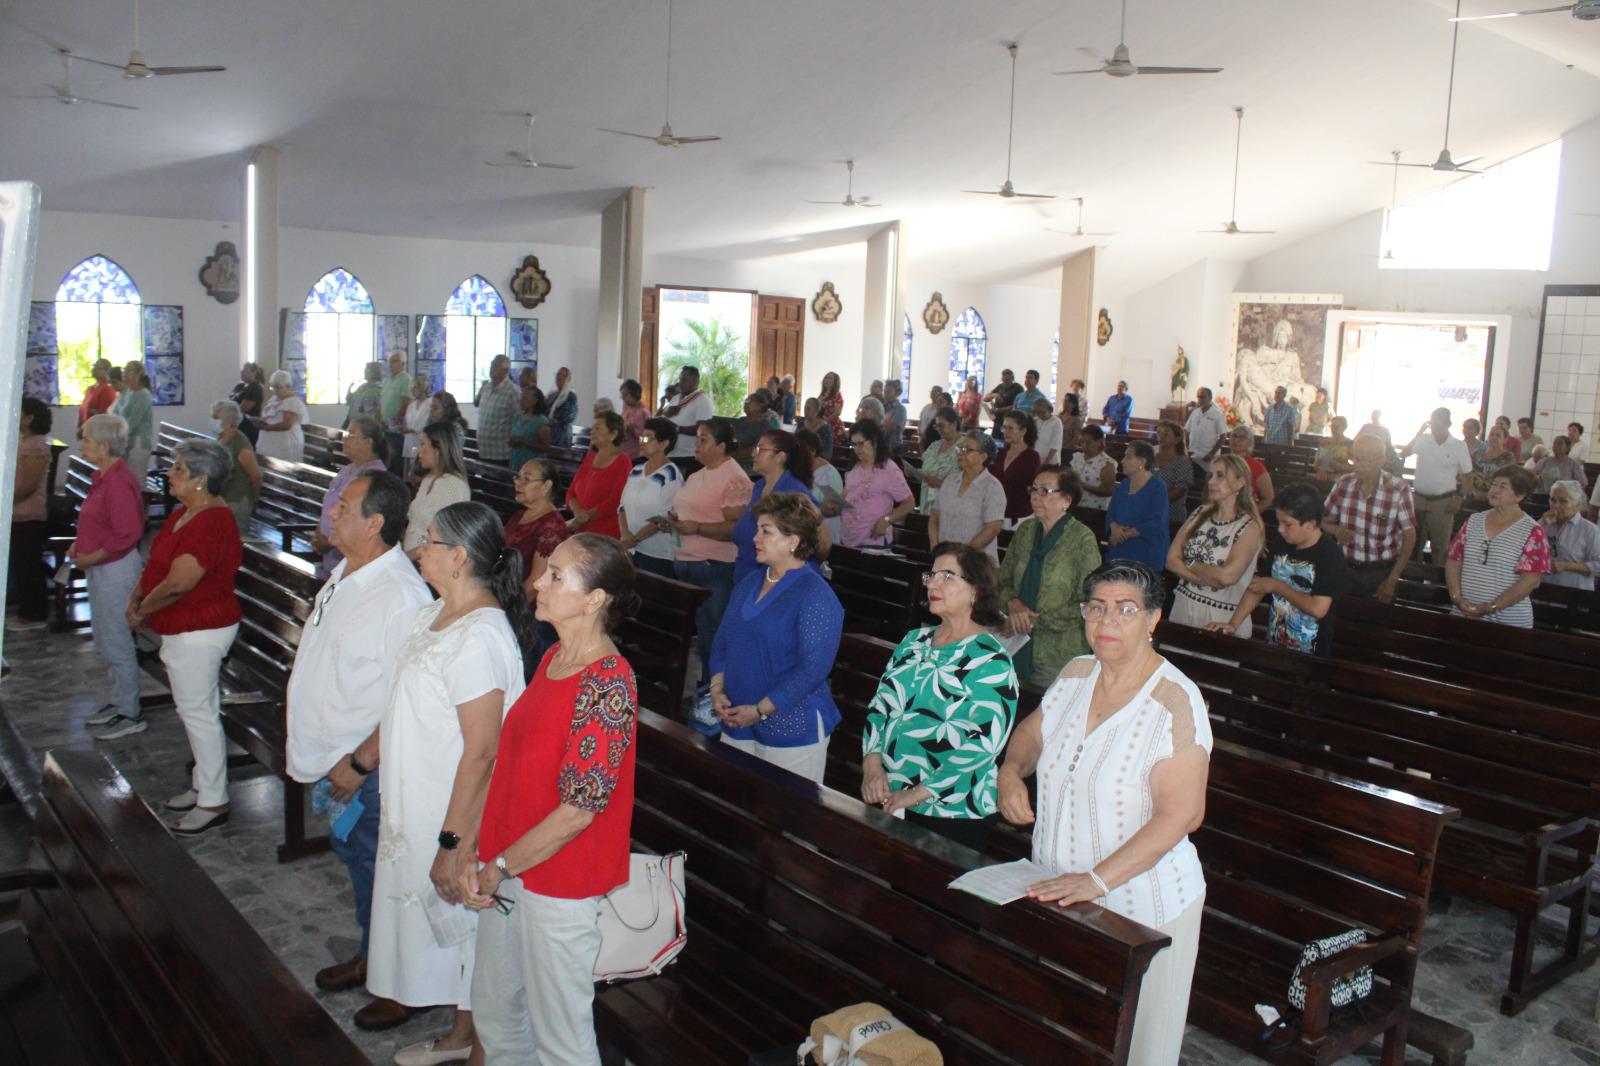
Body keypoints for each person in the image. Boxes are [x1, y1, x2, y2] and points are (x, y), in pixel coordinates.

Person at [998, 560, 1210, 1066]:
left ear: (1154, 618)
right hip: (1065, 895)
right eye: (1096, 608)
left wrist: (1096, 879)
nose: (1107, 621)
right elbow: (1030, 734)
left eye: (1125, 609)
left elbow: (1182, 815)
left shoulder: (1175, 702)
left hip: (1145, 913)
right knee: (1072, 1033)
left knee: (1140, 1048)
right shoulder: (1076, 674)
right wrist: (1010, 773)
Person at [364, 501, 533, 1054]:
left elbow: (483, 751)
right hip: (417, 800)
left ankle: (475, 1041)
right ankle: (462, 1033)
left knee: (467, 935)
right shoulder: (433, 614)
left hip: (454, 810)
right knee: (442, 934)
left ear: (459, 557)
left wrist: (455, 843)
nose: (418, 549)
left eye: (429, 541)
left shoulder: (480, 635)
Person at [465, 535, 640, 1066]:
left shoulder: (608, 683)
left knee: (561, 1038)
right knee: (497, 1014)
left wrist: (498, 866)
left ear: (595, 600)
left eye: (557, 575)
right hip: (513, 864)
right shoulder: (554, 659)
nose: (539, 582)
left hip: (558, 883)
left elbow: (578, 810)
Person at [285, 471, 431, 1004]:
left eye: (343, 507)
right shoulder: (349, 570)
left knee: (379, 870)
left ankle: (396, 983)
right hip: (335, 761)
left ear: (374, 523)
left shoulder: (401, 596)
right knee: (359, 862)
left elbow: (409, 698)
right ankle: (375, 955)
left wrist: (361, 764)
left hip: (362, 772)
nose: (331, 512)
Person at [863, 543, 1019, 849]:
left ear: (976, 591)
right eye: (932, 576)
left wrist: (917, 793)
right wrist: (872, 766)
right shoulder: (914, 641)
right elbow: (880, 706)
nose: (933, 584)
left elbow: (983, 744)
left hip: (953, 810)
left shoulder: (991, 661)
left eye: (947, 577)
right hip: (891, 794)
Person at [131, 440, 243, 833]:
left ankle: (214, 802)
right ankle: (203, 784)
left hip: (202, 626)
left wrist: (142, 609)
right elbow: (159, 565)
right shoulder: (186, 512)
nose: (169, 474)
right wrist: (138, 596)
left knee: (198, 713)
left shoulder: (211, 521)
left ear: (201, 478)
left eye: (179, 469)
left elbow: (181, 582)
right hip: (185, 624)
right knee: (196, 709)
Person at [710, 493, 844, 781]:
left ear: (793, 541)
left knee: (786, 817)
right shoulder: (750, 582)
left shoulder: (815, 595)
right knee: (740, 810)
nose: (755, 538)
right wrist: (717, 688)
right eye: (757, 529)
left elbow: (814, 669)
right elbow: (723, 641)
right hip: (737, 717)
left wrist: (760, 710)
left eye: (766, 531)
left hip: (792, 726)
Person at [70, 415, 147, 739]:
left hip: (116, 570)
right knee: (106, 636)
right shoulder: (103, 476)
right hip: (102, 568)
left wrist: (91, 555)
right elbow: (98, 522)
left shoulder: (118, 481)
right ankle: (119, 702)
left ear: (104, 446)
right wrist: (80, 545)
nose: (82, 444)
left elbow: (127, 534)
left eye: (86, 439)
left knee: (116, 640)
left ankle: (130, 712)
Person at [1208, 482, 1347, 655]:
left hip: (1312, 652)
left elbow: (1318, 609)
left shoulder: (1330, 554)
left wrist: (1276, 586)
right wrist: (1233, 624)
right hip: (1275, 641)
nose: (1280, 530)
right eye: (1279, 522)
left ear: (1310, 524)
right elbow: (1258, 586)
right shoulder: (1283, 542)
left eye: (1287, 524)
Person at [664, 419, 753, 690]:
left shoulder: (734, 477)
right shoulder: (697, 474)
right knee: (699, 632)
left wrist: (697, 527)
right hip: (687, 562)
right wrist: (675, 522)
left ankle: (712, 688)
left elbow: (735, 529)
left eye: (704, 439)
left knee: (713, 634)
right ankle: (700, 686)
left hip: (714, 565)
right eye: (698, 438)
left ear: (722, 446)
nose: (697, 444)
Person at [999, 467, 1101, 687]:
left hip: (1059, 652)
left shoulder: (1082, 540)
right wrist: (1014, 604)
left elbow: (1091, 602)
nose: (1035, 496)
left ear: (1066, 500)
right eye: (1034, 489)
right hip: (1013, 643)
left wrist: (1031, 619)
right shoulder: (1025, 531)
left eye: (1045, 491)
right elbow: (1002, 581)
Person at [1166, 455, 1265, 636]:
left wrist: (1190, 563)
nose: (1212, 481)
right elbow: (1171, 559)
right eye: (1210, 476)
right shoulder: (1199, 512)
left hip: (1222, 619)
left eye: (1220, 476)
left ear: (1239, 483)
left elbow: (1227, 577)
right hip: (1184, 608)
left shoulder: (1249, 526)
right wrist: (1199, 579)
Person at [1445, 466, 1551, 628]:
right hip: (1464, 613)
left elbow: (1530, 580)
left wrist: (1492, 606)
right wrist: (1457, 598)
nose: (1494, 490)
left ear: (1519, 496)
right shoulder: (1474, 520)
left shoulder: (1532, 531)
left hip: (1508, 621)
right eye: (1494, 484)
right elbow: (1454, 561)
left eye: (1503, 486)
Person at [1321, 435, 1417, 602]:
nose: (1360, 465)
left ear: (1382, 460)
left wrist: (1392, 579)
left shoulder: (1398, 489)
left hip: (1381, 572)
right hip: (1345, 569)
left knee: (1377, 624)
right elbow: (1322, 521)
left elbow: (1410, 536)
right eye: (1357, 459)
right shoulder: (1343, 484)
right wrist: (1335, 530)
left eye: (1368, 460)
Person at [732, 430, 816, 584]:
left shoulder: (795, 492)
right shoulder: (759, 486)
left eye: (760, 449)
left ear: (780, 457)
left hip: (777, 580)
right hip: (746, 575)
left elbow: (814, 541)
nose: (752, 454)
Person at [313, 416, 387, 578]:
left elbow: (362, 520)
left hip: (352, 563)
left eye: (351, 435)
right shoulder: (346, 470)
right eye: (346, 434)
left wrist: (331, 542)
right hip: (330, 558)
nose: (345, 439)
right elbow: (329, 505)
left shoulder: (375, 475)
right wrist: (319, 533)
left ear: (369, 442)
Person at [1399, 407, 1473, 565]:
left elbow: (1468, 477)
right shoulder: (1424, 439)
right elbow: (1404, 453)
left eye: (1439, 425)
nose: (1435, 428)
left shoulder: (1458, 446)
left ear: (1448, 424)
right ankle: (1411, 581)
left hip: (1443, 502)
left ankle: (1435, 585)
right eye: (1433, 424)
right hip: (1418, 498)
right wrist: (1419, 432)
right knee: (1412, 544)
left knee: (1440, 547)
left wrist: (1460, 498)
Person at [8, 399, 54, 631]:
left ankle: (35, 614)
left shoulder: (35, 445)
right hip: (18, 512)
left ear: (29, 419)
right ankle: (26, 609)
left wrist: (7, 503)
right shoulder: (25, 442)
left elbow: (29, 485)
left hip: (29, 513)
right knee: (21, 563)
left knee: (29, 565)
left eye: (20, 413)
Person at [617, 418, 683, 580]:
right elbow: (622, 507)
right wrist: (626, 535)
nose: (642, 442)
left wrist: (636, 538)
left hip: (657, 554)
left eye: (648, 438)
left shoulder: (670, 475)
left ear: (664, 444)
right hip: (630, 548)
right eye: (641, 437)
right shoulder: (636, 471)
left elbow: (666, 517)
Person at [930, 430, 1006, 562]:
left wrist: (963, 556)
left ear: (983, 456)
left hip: (975, 562)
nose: (961, 453)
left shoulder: (992, 487)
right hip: (945, 558)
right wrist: (935, 547)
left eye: (968, 450)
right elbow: (935, 518)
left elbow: (992, 529)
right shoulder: (950, 481)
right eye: (960, 448)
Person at [503, 458, 571, 605]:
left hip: (525, 607)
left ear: (546, 486)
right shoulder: (518, 516)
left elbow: (535, 583)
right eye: (518, 477)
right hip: (504, 594)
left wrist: (505, 610)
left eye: (526, 479)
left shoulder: (552, 526)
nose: (518, 483)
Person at [841, 420, 913, 548]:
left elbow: (909, 503)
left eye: (861, 444)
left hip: (873, 541)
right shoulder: (855, 466)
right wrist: (833, 504)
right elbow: (847, 494)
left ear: (874, 442)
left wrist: (886, 521)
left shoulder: (889, 469)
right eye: (854, 445)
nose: (857, 449)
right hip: (848, 537)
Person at [405, 422, 473, 559]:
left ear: (439, 448)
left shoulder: (454, 486)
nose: (419, 452)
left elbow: (448, 539)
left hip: (431, 561)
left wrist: (406, 558)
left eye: (423, 444)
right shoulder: (428, 479)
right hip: (413, 557)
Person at [1106, 441, 1171, 570]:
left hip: (1146, 552)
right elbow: (1111, 513)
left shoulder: (1157, 487)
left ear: (1142, 462)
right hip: (1119, 548)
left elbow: (1157, 521)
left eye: (1128, 457)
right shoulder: (1123, 485)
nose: (1123, 461)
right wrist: (1114, 528)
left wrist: (1127, 534)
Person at [566, 410, 629, 539]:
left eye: (598, 428)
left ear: (613, 434)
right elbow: (571, 493)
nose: (592, 431)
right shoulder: (590, 458)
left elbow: (616, 500)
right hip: (581, 528)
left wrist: (583, 518)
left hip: (604, 532)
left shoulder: (622, 461)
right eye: (593, 428)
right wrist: (577, 512)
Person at [211, 400, 262, 536]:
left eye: (215, 418)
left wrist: (253, 499)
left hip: (237, 500)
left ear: (228, 421)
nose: (212, 421)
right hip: (223, 498)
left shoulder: (239, 442)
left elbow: (256, 475)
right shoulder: (220, 439)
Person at [1542, 481, 1600, 591]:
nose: (1556, 505)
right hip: (1543, 587)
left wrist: (1567, 566)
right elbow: (1526, 551)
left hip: (1575, 592)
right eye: (1553, 500)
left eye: (1563, 501)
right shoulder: (1543, 523)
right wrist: (1543, 527)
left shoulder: (1590, 530)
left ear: (1577, 504)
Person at [990, 411, 1043, 522]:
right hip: (995, 513)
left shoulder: (1032, 457)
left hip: (1019, 515)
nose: (1006, 432)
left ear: (1023, 431)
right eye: (1004, 428)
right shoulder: (999, 453)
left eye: (1010, 428)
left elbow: (1032, 488)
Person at [798, 427, 845, 546]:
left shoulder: (829, 475)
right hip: (805, 533)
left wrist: (810, 510)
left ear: (812, 451)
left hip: (824, 537)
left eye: (800, 451)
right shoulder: (800, 470)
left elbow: (835, 510)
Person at [660, 365, 716, 460]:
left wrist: (676, 429)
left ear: (695, 381)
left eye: (684, 380)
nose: (680, 384)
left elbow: (703, 430)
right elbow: (665, 417)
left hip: (688, 455)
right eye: (680, 380)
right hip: (669, 453)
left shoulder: (703, 401)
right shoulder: (676, 398)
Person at [474, 355, 521, 465]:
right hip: (484, 451)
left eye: (495, 366)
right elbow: (476, 403)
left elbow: (519, 420)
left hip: (501, 454)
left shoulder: (513, 391)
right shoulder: (486, 387)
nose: (491, 368)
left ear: (506, 370)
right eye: (491, 365)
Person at [917, 407, 962, 512]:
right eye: (936, 426)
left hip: (949, 505)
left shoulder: (964, 448)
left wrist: (941, 484)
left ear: (954, 424)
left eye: (941, 426)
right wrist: (916, 473)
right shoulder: (935, 446)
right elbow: (925, 468)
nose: (938, 430)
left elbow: (968, 481)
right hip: (927, 500)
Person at [113, 360, 154, 477]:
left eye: (128, 370)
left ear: (138, 374)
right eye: (124, 369)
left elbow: (133, 422)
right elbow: (116, 415)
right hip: (125, 442)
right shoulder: (125, 393)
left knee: (137, 480)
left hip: (138, 443)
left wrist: (118, 437)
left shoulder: (143, 395)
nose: (124, 372)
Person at [258, 370, 308, 463]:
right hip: (271, 445)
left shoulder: (292, 402)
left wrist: (267, 427)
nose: (276, 391)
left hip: (286, 445)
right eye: (273, 387)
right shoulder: (274, 399)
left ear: (288, 387)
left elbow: (286, 425)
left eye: (278, 387)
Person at [1152, 420, 1194, 522]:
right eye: (1158, 432)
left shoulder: (1182, 461)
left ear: (1177, 439)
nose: (1161, 436)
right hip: (1145, 510)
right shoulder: (1150, 455)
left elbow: (1179, 490)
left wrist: (1153, 502)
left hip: (1170, 515)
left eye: (1166, 434)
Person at [379, 350, 413, 471]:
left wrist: (390, 422)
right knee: (386, 463)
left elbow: (406, 405)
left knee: (395, 464)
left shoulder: (406, 380)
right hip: (385, 429)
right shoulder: (388, 380)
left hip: (396, 431)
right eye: (389, 361)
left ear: (403, 364)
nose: (390, 364)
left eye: (394, 361)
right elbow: (382, 401)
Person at [1070, 425, 1117, 512]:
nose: (1084, 445)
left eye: (1088, 443)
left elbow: (1108, 491)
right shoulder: (1077, 457)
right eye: (1082, 442)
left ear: (1099, 442)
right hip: (1074, 505)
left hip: (1094, 510)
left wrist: (1085, 486)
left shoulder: (1106, 463)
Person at [1226, 426, 1274, 509]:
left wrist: (1249, 515)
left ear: (1250, 442)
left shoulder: (1257, 467)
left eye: (1242, 437)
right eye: (1234, 436)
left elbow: (1269, 498)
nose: (1236, 440)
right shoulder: (1221, 462)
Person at [507, 385, 551, 474]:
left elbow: (546, 447)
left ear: (534, 401)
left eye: (525, 398)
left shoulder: (541, 421)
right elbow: (513, 435)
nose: (521, 400)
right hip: (516, 461)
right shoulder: (518, 417)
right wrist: (512, 442)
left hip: (532, 465)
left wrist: (524, 442)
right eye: (521, 397)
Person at [1471, 421, 1518, 500]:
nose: (1493, 437)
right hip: (1473, 495)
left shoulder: (1508, 457)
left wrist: (1489, 494)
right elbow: (1467, 475)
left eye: (1498, 436)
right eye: (1491, 434)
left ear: (1505, 440)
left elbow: (1508, 480)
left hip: (1497, 497)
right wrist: (1474, 492)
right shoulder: (1476, 454)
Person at [1181, 388, 1227, 466]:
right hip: (1192, 455)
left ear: (1210, 398)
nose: (1200, 399)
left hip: (1208, 457)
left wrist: (1211, 454)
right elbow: (1185, 430)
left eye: (1203, 397)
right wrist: (1185, 448)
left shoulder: (1218, 414)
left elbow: (1223, 436)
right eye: (1198, 397)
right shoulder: (1195, 412)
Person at [733, 391, 780, 457]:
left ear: (760, 406)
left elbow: (756, 450)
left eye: (750, 400)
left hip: (749, 463)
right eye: (746, 400)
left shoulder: (764, 426)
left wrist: (731, 456)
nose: (746, 403)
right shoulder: (740, 421)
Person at [79, 358, 117, 428]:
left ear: (106, 372)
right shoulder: (90, 389)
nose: (94, 370)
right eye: (94, 367)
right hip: (86, 429)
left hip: (98, 430)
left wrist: (90, 410)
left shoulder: (107, 389)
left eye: (98, 368)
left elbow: (105, 415)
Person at [344, 361, 384, 428]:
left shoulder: (379, 390)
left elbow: (378, 410)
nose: (364, 371)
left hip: (365, 425)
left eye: (367, 369)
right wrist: (349, 390)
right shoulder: (361, 386)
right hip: (351, 422)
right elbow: (349, 401)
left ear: (374, 372)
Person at [1314, 416, 1354, 480]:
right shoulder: (1325, 442)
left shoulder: (1349, 444)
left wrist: (1341, 467)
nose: (1333, 429)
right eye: (1332, 426)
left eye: (1337, 427)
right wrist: (1319, 463)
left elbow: (1357, 467)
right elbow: (1315, 466)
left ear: (1344, 427)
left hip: (1340, 479)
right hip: (1322, 478)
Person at [618, 379, 648, 459]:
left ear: (635, 393)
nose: (623, 398)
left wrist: (633, 431)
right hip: (624, 452)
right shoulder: (627, 409)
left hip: (636, 456)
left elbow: (645, 439)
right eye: (622, 395)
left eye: (625, 395)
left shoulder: (643, 413)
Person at [1032, 396, 1064, 467]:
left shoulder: (1056, 422)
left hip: (1051, 462)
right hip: (1036, 460)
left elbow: (1055, 445)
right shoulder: (1036, 421)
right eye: (1038, 413)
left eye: (1043, 412)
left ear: (1050, 410)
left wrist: (1045, 462)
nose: (1040, 415)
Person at [800, 396, 834, 461]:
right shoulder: (801, 424)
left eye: (808, 408)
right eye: (804, 408)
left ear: (817, 410)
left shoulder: (825, 428)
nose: (805, 410)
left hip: (817, 461)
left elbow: (827, 453)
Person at [817, 371, 847, 443]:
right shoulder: (822, 395)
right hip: (821, 425)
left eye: (830, 378)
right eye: (826, 378)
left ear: (835, 382)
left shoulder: (837, 395)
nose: (826, 380)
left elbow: (837, 413)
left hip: (833, 427)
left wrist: (824, 422)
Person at [881, 380, 908, 456]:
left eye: (889, 392)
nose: (885, 394)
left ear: (897, 393)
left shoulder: (900, 409)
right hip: (882, 446)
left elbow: (892, 428)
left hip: (894, 448)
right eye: (885, 391)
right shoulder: (882, 406)